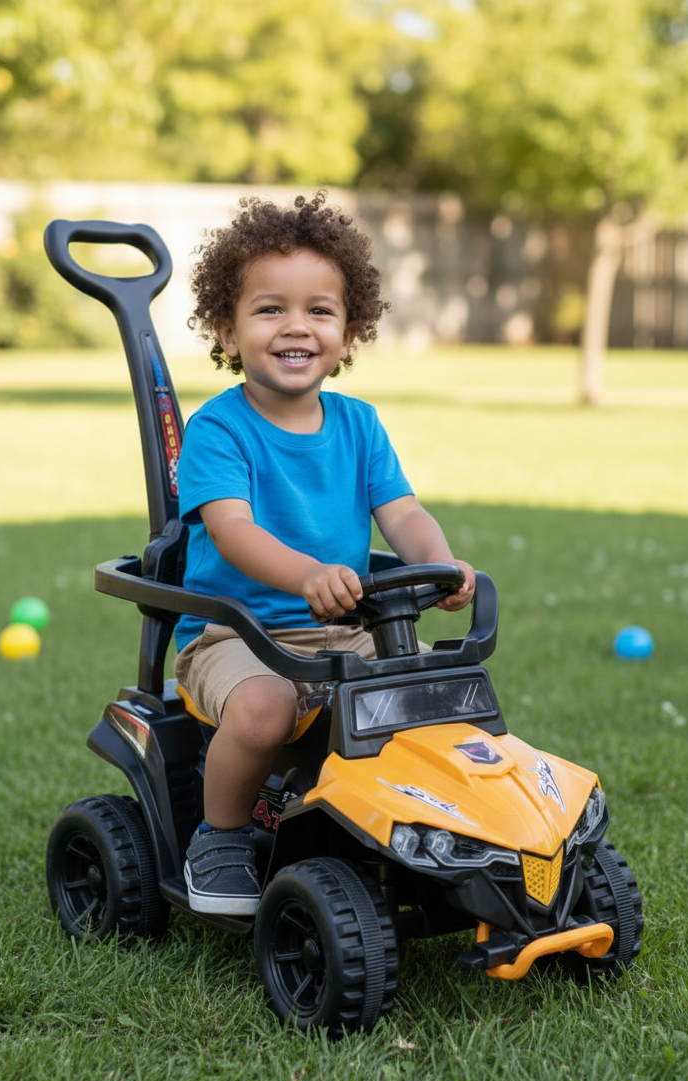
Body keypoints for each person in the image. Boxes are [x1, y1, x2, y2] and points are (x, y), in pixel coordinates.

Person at [176, 191, 475, 914]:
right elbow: (233, 531)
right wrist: (307, 574)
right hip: (235, 632)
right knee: (265, 709)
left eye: (319, 310)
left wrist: (441, 564)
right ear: (228, 326)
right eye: (269, 309)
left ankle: (419, 828)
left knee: (436, 695)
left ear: (348, 331)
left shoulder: (359, 425)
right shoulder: (219, 430)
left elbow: (402, 513)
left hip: (347, 628)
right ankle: (218, 835)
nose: (296, 327)